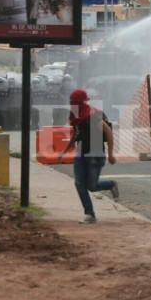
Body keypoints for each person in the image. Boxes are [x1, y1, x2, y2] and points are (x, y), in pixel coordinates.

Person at [57, 89, 118, 224]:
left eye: (76, 102)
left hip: (95, 155)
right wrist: (65, 151)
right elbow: (76, 134)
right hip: (80, 154)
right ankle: (90, 214)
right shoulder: (75, 116)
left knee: (92, 186)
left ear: (83, 102)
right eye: (72, 102)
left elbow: (108, 132)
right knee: (79, 183)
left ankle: (111, 184)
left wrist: (111, 154)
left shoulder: (93, 115)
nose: (73, 105)